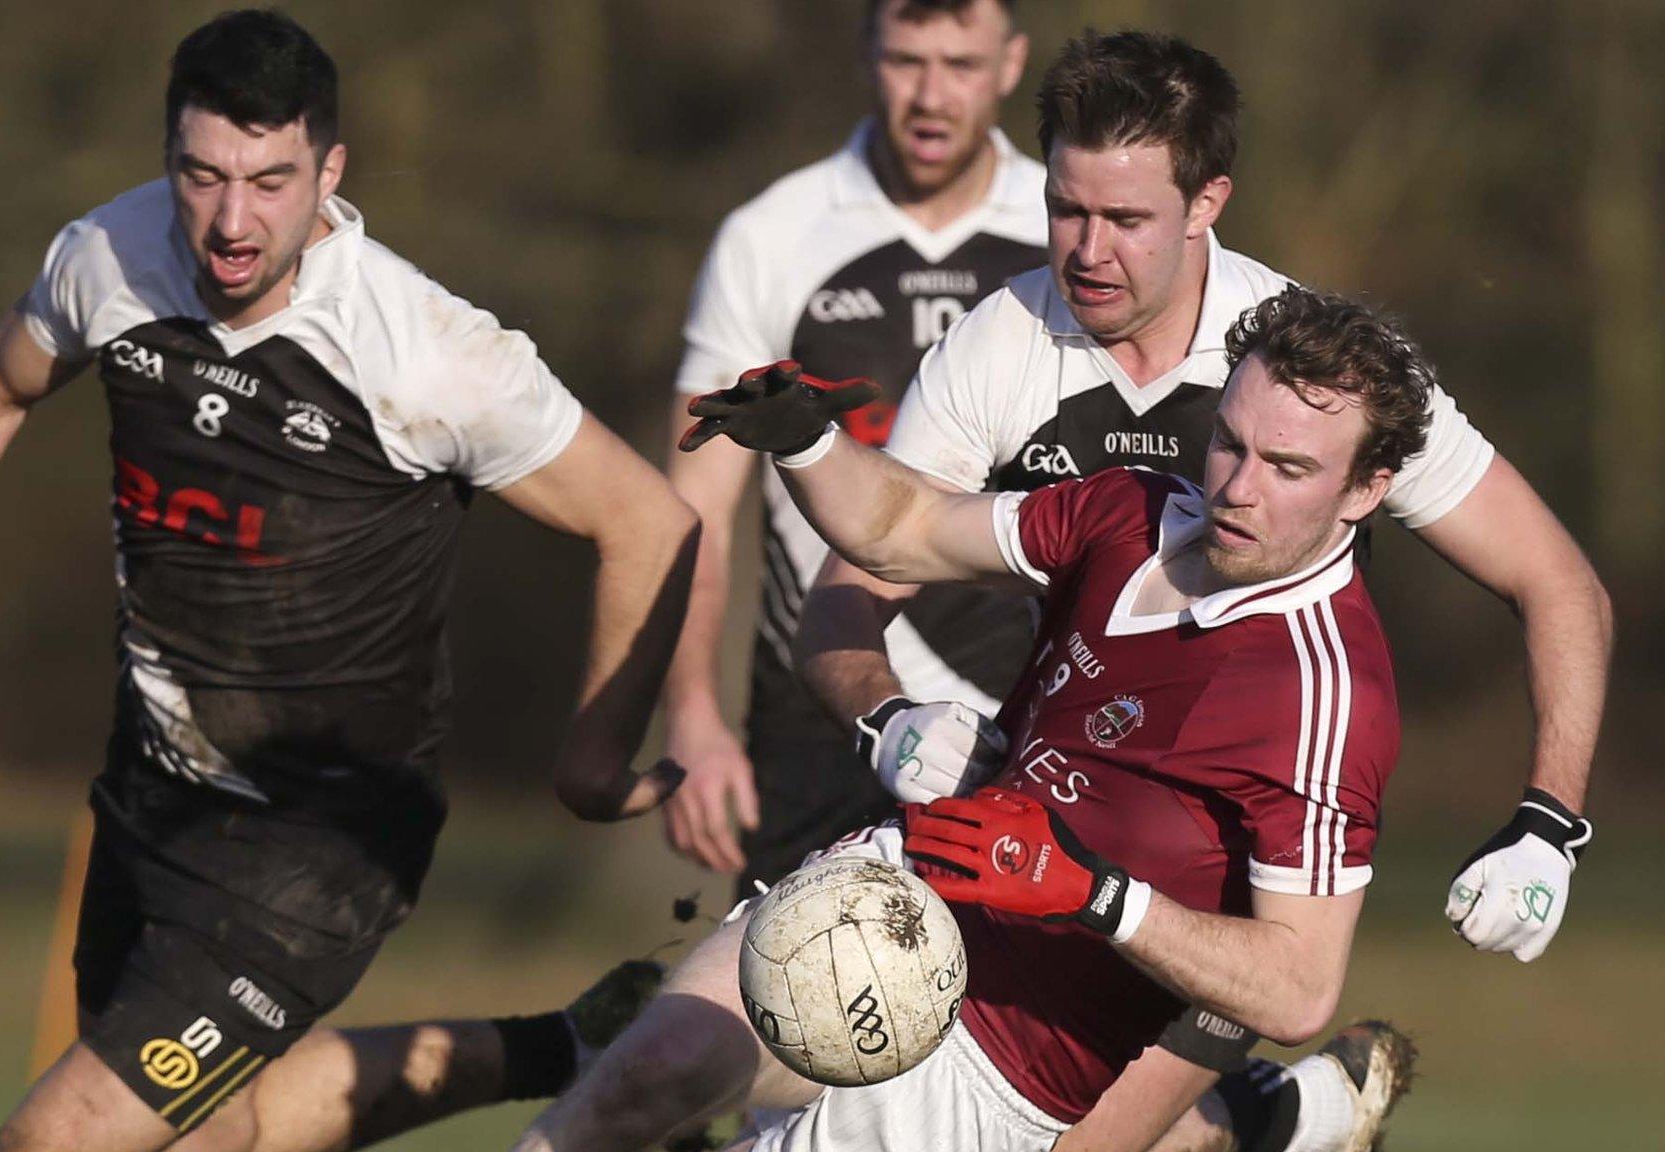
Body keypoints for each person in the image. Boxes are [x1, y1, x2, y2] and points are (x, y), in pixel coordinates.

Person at [0, 12, 696, 1152]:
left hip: (321, 836)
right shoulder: (109, 257)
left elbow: (646, 519)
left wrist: (593, 764)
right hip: (153, 797)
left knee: (56, 1142)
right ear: (168, 158)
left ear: (330, 173)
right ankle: (572, 1045)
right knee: (222, 1130)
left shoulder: (427, 352)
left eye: (270, 181)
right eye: (202, 176)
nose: (232, 220)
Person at [790, 28, 1607, 1151]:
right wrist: (883, 718)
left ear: (1205, 201)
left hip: (1238, 898)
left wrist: (1546, 823)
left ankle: (1267, 1112)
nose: (1086, 249)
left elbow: (1555, 579)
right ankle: (1281, 1119)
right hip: (1050, 823)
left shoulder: (1317, 378)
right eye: (1065, 210)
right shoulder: (1004, 344)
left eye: (1123, 219)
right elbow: (864, 567)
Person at [520, 284, 1439, 1152]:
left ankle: (1274, 1118)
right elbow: (905, 526)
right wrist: (806, 443)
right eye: (1230, 442)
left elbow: (1298, 987)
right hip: (891, 893)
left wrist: (1095, 893)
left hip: (995, 1065)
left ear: (1366, 491)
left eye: (1288, 468)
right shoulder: (1132, 511)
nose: (1238, 487)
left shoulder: (1326, 691)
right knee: (642, 1080)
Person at [659, 0, 1042, 894]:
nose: (933, 96)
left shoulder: (1069, 234)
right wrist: (690, 715)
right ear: (867, 52)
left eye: (962, 64)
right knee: (774, 1014)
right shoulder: (771, 237)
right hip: (819, 707)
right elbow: (695, 513)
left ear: (1013, 62)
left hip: (1026, 708)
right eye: (909, 60)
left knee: (1045, 1028)